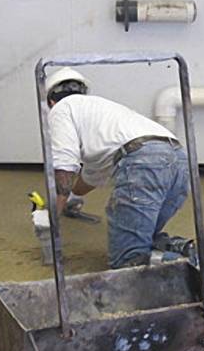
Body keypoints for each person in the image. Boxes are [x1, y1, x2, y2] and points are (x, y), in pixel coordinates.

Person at [44, 67, 189, 268]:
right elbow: (85, 183)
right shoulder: (102, 114)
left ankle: (202, 264)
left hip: (143, 163)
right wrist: (69, 198)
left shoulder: (62, 108)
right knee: (146, 238)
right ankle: (198, 251)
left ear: (51, 101)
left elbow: (65, 166)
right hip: (179, 161)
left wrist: (51, 216)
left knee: (127, 261)